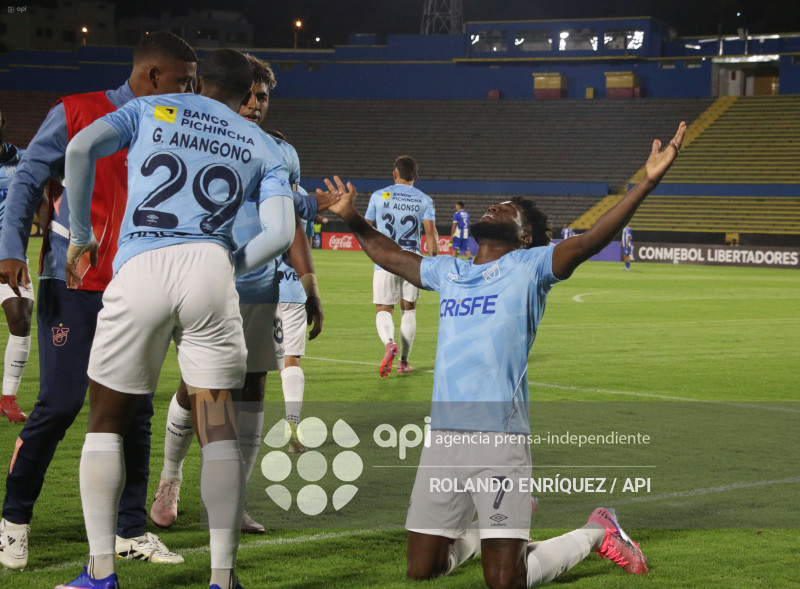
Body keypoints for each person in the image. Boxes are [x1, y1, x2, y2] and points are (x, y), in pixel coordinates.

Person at [321, 121, 685, 588]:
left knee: (504, 583)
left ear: (525, 236)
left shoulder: (530, 266)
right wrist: (352, 219)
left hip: (499, 438)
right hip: (443, 439)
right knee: (421, 569)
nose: (495, 206)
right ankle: (491, 529)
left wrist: (646, 184)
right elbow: (392, 257)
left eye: (509, 210)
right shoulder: (450, 271)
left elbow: (590, 240)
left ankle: (598, 530)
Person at [56, 48, 300, 589]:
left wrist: (80, 235)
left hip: (141, 265)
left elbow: (80, 147)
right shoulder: (264, 144)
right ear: (246, 96)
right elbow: (281, 233)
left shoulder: (153, 108)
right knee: (218, 432)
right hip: (211, 273)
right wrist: (229, 261)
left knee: (106, 424)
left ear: (199, 83)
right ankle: (222, 577)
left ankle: (99, 573)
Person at [0, 31, 195, 571]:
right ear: (153, 76)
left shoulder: (176, 127)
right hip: (73, 283)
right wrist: (11, 249)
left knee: (134, 412)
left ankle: (129, 530)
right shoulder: (75, 111)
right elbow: (28, 181)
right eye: (183, 80)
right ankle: (13, 520)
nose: (190, 91)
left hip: (138, 286)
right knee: (60, 404)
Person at [149, 58, 325, 534]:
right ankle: (170, 478)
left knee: (251, 392)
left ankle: (231, 500)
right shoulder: (197, 135)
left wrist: (308, 283)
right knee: (196, 389)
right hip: (202, 281)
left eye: (261, 97)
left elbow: (290, 228)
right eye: (246, 95)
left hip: (260, 288)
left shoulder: (282, 153)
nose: (253, 105)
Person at [365, 156, 437, 377]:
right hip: (412, 260)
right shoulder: (425, 200)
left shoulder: (378, 196)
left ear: (394, 173)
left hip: (385, 260)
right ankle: (404, 362)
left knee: (384, 308)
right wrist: (434, 261)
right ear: (415, 176)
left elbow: (367, 228)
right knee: (409, 310)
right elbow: (430, 233)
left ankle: (389, 343)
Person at [0, 108, 34, 423]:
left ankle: (8, 398)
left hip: (8, 255)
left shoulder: (22, 160)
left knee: (21, 319)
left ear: (3, 120)